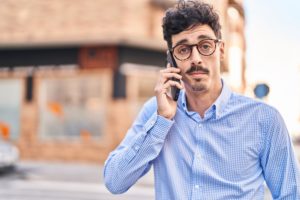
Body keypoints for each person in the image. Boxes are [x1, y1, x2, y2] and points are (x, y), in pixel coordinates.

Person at [103, 0, 300, 199]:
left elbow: (290, 194)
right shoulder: (155, 113)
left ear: (221, 50)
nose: (196, 58)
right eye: (183, 49)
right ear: (171, 59)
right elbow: (115, 181)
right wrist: (161, 122)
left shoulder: (265, 120)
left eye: (205, 46)